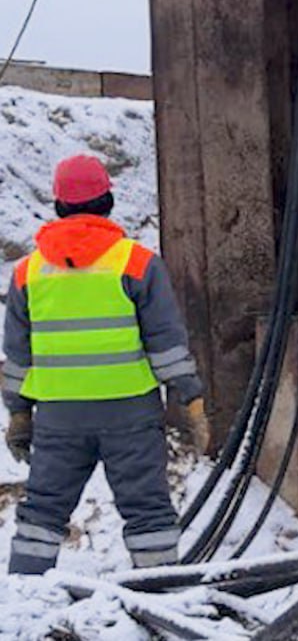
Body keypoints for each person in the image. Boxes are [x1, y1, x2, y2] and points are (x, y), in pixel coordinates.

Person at [2, 154, 210, 574]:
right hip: (130, 413)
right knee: (148, 511)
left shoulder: (28, 272)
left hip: (59, 417)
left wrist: (19, 414)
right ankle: (160, 595)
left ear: (58, 205)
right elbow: (166, 344)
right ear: (108, 202)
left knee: (42, 513)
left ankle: (24, 599)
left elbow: (18, 357)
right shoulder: (137, 263)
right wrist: (191, 401)